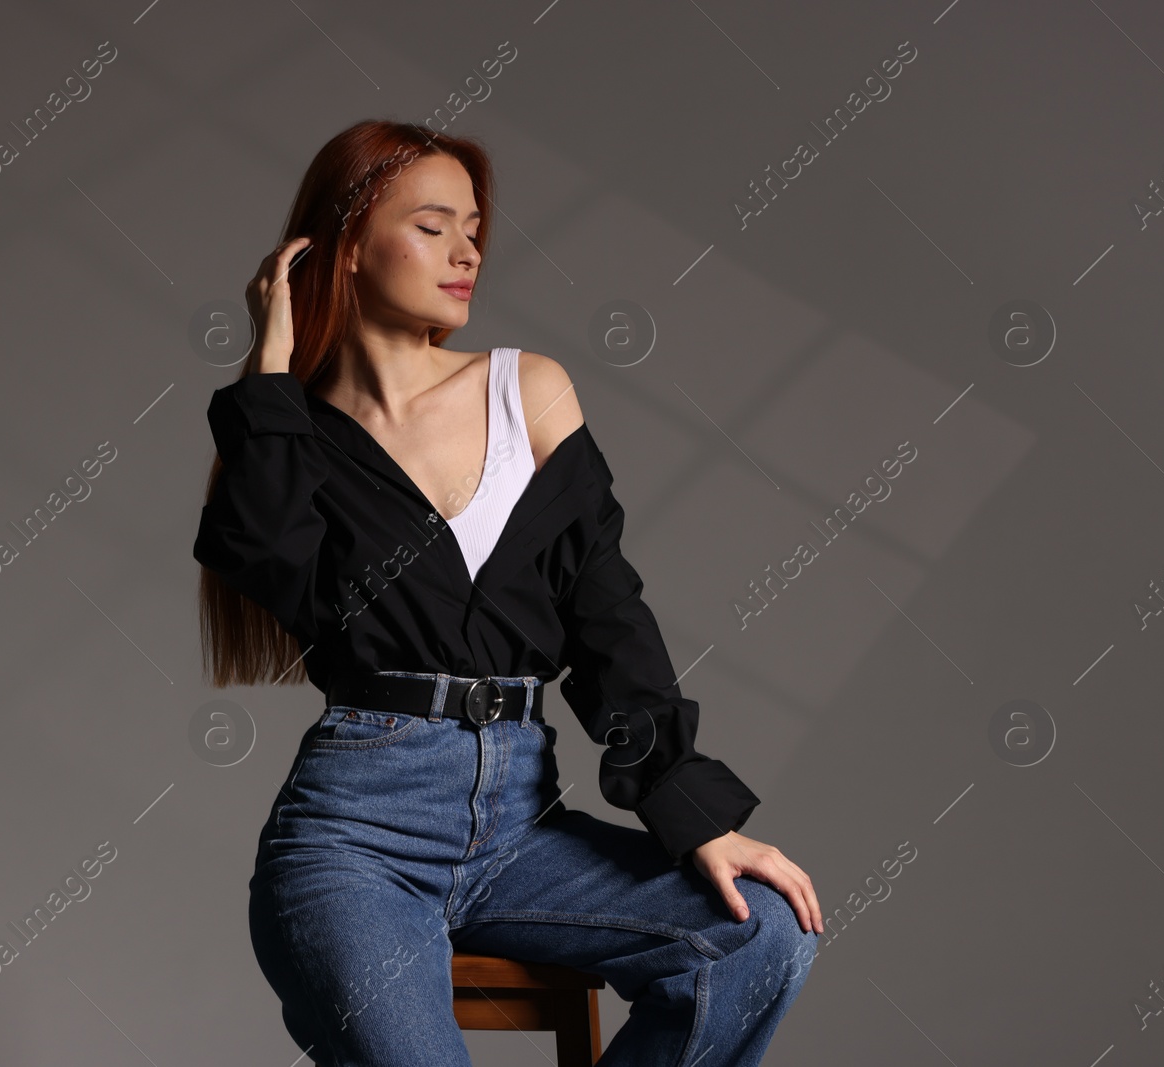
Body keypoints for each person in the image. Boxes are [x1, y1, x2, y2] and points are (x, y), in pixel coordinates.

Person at [194, 119, 819, 1067]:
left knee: (764, 933)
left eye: (474, 229)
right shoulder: (296, 435)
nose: (467, 250)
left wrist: (693, 811)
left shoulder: (524, 390)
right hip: (356, 839)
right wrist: (269, 370)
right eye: (434, 225)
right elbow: (272, 568)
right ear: (347, 247)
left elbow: (607, 610)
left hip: (520, 828)